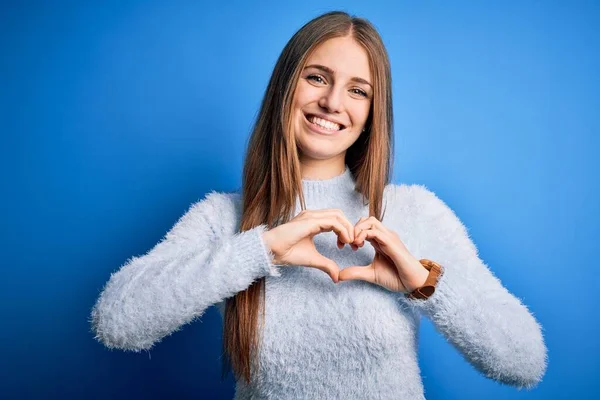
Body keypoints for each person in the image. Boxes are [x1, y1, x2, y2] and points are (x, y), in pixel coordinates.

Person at [90, 11, 548, 399]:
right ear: (286, 87)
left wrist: (421, 283)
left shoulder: (414, 211)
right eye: (316, 78)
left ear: (372, 113)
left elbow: (524, 361)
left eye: (357, 90)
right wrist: (260, 249)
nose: (331, 102)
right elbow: (115, 321)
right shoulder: (223, 217)